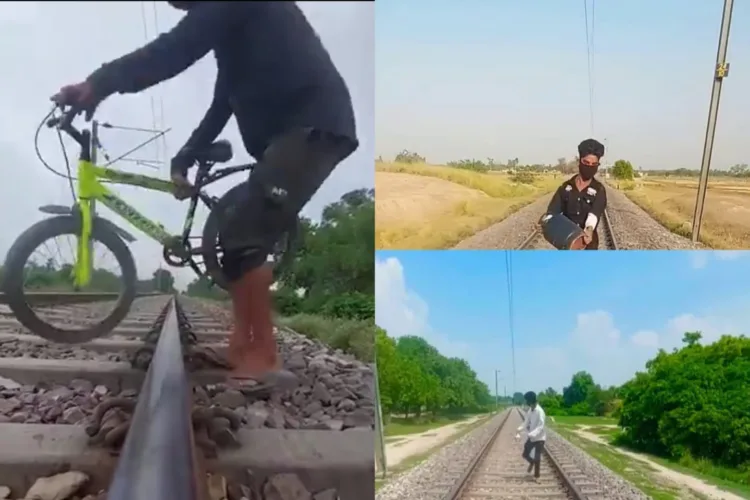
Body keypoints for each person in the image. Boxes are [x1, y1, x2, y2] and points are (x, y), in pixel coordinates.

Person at [51, 2, 358, 389]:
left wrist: (99, 82)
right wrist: (183, 158)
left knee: (247, 236)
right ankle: (240, 348)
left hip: (315, 126)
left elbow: (174, 49)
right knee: (234, 239)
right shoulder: (232, 41)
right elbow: (219, 107)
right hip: (287, 135)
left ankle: (264, 356)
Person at [544, 139, 607, 250]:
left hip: (588, 247)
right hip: (566, 245)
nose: (590, 166)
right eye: (586, 163)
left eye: (594, 164)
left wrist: (589, 228)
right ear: (579, 161)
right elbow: (552, 212)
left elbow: (594, 214)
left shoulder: (599, 190)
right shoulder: (565, 188)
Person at [516, 391, 546, 481]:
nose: (526, 403)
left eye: (527, 401)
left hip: (540, 438)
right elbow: (526, 422)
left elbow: (541, 426)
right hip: (532, 438)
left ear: (531, 401)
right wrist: (519, 429)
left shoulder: (540, 411)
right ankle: (531, 462)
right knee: (525, 454)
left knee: (537, 457)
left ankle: (537, 477)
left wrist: (531, 434)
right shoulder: (530, 410)